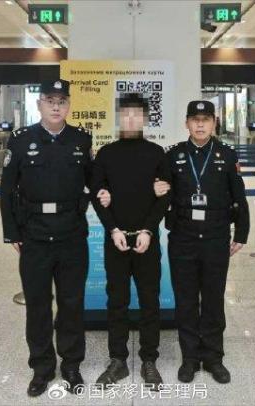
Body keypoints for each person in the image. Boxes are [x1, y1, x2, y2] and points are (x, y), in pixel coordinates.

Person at [0, 79, 111, 397]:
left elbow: (93, 179)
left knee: (71, 303)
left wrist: (103, 191)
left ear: (69, 105)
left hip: (71, 234)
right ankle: (42, 368)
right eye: (50, 100)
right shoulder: (21, 140)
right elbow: (7, 190)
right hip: (34, 234)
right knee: (37, 305)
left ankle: (71, 365)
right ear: (40, 105)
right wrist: (12, 233)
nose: (56, 106)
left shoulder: (81, 139)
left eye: (62, 101)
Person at [153, 100, 250, 384]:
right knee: (185, 300)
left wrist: (241, 233)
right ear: (186, 123)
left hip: (215, 236)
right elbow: (162, 195)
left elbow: (239, 196)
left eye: (205, 119)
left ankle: (214, 357)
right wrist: (155, 190)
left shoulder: (227, 155)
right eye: (195, 119)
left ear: (214, 123)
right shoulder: (173, 155)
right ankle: (190, 358)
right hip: (182, 237)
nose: (200, 124)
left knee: (213, 299)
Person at [90, 93, 171, 390]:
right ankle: (118, 360)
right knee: (117, 301)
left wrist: (149, 230)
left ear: (145, 118)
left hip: (147, 241)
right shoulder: (106, 154)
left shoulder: (156, 153)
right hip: (117, 240)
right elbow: (97, 195)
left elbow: (165, 196)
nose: (131, 119)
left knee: (150, 301)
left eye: (137, 114)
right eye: (126, 113)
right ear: (119, 117)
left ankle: (149, 359)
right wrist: (112, 229)